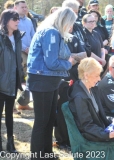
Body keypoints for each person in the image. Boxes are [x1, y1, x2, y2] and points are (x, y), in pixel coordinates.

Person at [27, 7, 77, 159]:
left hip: (49, 80)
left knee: (49, 120)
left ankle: (46, 152)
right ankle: (37, 155)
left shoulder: (51, 31)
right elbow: (52, 63)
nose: (71, 27)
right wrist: (69, 63)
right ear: (64, 20)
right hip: (43, 80)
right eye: (70, 23)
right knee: (42, 120)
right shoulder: (51, 33)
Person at [68, 57, 114, 160]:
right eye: (96, 75)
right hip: (91, 134)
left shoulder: (92, 89)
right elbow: (87, 126)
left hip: (98, 128)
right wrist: (107, 135)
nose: (99, 79)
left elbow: (99, 115)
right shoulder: (80, 97)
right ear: (86, 75)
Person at [0, 9, 23, 154]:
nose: (17, 21)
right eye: (14, 18)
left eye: (18, 18)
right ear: (6, 20)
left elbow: (17, 61)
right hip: (1, 83)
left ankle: (10, 144)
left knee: (10, 114)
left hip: (13, 82)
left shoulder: (18, 36)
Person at [14, 0, 35, 110]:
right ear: (15, 8)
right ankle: (11, 106)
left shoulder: (29, 21)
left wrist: (31, 48)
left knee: (28, 78)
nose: (25, 9)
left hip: (30, 53)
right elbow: (13, 37)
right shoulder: (13, 20)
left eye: (26, 7)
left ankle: (23, 103)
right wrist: (24, 48)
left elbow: (33, 36)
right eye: (22, 7)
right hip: (18, 52)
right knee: (16, 77)